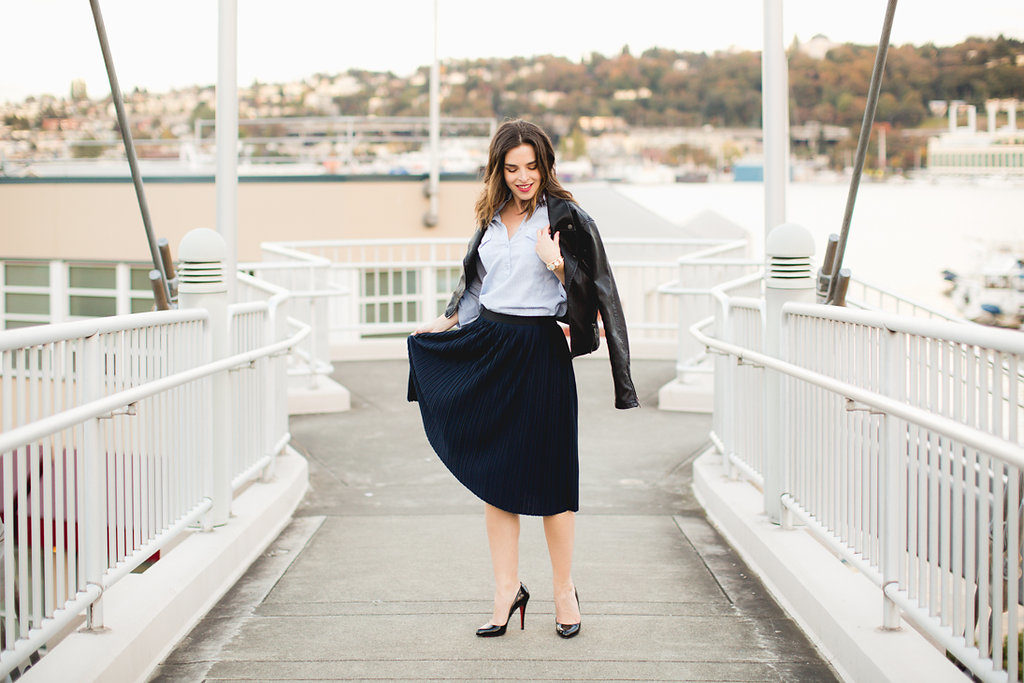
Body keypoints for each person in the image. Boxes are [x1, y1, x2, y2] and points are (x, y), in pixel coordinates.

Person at [407, 119, 638, 639]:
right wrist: (443, 323)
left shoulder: (566, 218)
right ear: (499, 170)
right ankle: (505, 592)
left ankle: (564, 592)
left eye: (531, 167)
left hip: (540, 352)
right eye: (512, 168)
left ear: (546, 165)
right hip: (491, 347)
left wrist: (557, 266)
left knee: (554, 481)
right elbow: (475, 288)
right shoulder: (490, 219)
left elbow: (592, 300)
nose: (522, 177)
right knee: (498, 480)